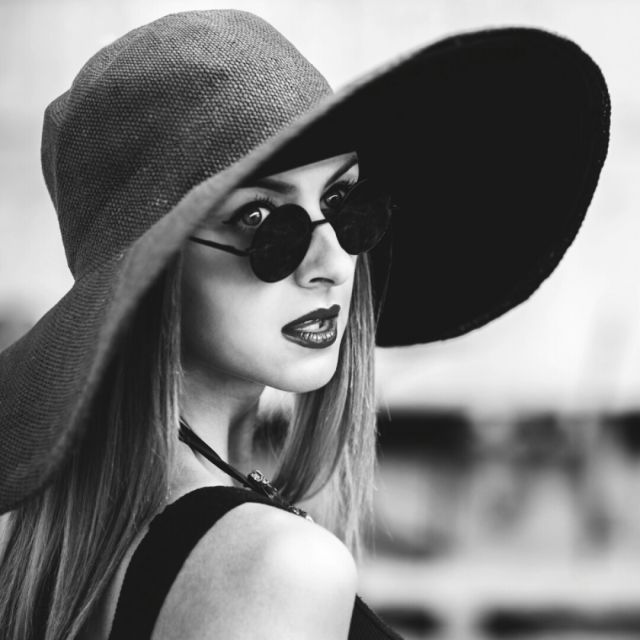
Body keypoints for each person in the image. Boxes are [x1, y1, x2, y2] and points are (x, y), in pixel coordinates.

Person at [0, 9, 609, 640]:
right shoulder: (282, 567)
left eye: (341, 201)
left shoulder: (54, 548)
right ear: (154, 270)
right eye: (260, 219)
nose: (333, 264)